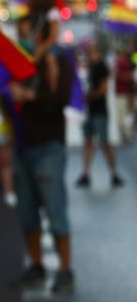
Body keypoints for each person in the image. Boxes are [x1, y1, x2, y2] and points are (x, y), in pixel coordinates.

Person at [8, 24, 75, 295]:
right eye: (21, 32)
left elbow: (59, 97)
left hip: (48, 147)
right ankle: (36, 266)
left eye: (29, 32)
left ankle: (65, 270)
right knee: (26, 213)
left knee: (55, 210)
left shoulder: (56, 59)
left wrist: (31, 94)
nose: (25, 38)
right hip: (23, 147)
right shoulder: (18, 65)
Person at [76, 42, 125, 188]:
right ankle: (86, 173)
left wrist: (88, 97)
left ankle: (114, 173)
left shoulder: (101, 67)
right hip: (90, 112)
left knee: (104, 143)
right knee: (88, 142)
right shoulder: (92, 67)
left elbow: (103, 89)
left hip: (99, 112)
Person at [112, 48, 134, 143]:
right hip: (122, 92)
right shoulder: (121, 64)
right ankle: (125, 132)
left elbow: (129, 77)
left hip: (123, 92)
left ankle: (126, 133)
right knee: (123, 113)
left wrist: (118, 75)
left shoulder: (123, 64)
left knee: (124, 114)